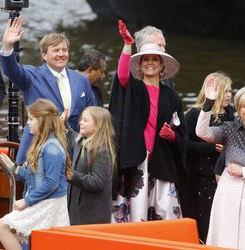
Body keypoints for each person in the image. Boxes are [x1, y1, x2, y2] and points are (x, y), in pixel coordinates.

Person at [109, 20, 188, 223]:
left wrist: (172, 136)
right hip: (136, 161)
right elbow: (122, 75)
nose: (150, 63)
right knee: (136, 215)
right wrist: (127, 44)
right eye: (146, 59)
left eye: (155, 59)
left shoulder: (172, 97)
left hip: (162, 163)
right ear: (140, 64)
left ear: (162, 65)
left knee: (166, 215)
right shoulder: (133, 88)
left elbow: (182, 134)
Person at [0, 16, 94, 164]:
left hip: (73, 152)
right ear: (44, 55)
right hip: (37, 150)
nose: (62, 54)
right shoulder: (32, 75)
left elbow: (93, 113)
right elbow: (11, 70)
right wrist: (7, 46)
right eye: (56, 50)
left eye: (64, 50)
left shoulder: (81, 80)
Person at [0, 98, 71, 250]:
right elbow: (35, 177)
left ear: (42, 121)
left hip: (49, 204)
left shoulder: (52, 148)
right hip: (42, 201)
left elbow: (51, 183)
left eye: (31, 119)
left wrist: (26, 201)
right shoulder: (43, 144)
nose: (28, 123)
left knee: (1, 228)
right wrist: (14, 167)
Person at [185, 71, 235, 243]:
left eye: (230, 91)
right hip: (202, 176)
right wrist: (211, 147)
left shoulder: (233, 114)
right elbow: (185, 146)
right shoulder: (193, 114)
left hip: (228, 175)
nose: (229, 95)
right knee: (205, 217)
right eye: (226, 91)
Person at [195, 79, 245, 249]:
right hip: (228, 191)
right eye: (244, 106)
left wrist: (244, 171)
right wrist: (208, 103)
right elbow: (202, 132)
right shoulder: (229, 129)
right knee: (225, 237)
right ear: (238, 109)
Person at [61, 106, 116, 225]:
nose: (80, 122)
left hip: (92, 217)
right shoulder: (81, 141)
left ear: (97, 126)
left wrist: (70, 174)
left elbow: (97, 182)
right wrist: (64, 123)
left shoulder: (102, 150)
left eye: (85, 120)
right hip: (77, 212)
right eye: (81, 119)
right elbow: (70, 135)